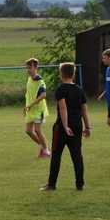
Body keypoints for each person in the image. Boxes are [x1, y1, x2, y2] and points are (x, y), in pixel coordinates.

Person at [41, 63, 91, 191]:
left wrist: (65, 126)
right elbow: (84, 110)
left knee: (56, 155)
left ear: (61, 74)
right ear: (73, 74)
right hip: (77, 126)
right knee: (77, 155)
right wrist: (88, 127)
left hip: (62, 127)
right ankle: (80, 184)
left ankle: (52, 184)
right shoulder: (79, 89)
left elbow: (63, 108)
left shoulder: (61, 89)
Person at [23, 58, 50, 158]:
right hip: (30, 110)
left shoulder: (40, 81)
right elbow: (29, 94)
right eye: (27, 68)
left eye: (30, 68)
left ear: (36, 68)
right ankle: (43, 147)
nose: (28, 70)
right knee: (28, 131)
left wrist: (31, 105)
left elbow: (43, 95)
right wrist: (27, 106)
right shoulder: (30, 79)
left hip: (39, 110)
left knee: (38, 131)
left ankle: (46, 150)